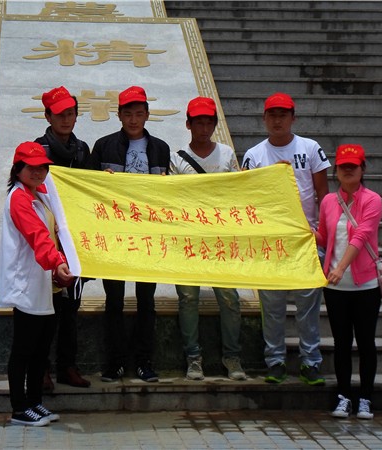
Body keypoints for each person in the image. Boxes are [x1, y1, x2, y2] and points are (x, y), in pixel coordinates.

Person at [241, 92, 330, 385]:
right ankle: (275, 360)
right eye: (272, 115)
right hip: (271, 242)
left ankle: (310, 361)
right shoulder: (255, 155)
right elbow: (247, 198)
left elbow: (323, 194)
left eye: (283, 115)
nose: (277, 120)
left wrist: (323, 234)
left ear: (293, 117)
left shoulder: (310, 148)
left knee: (308, 308)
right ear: (264, 118)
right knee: (272, 307)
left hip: (305, 240)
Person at [88, 85, 170, 382]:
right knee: (114, 301)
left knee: (147, 301)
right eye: (128, 114)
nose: (133, 119)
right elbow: (88, 189)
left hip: (148, 235)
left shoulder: (160, 148)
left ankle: (144, 361)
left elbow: (168, 195)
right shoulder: (103, 145)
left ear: (147, 115)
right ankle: (115, 363)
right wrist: (101, 181)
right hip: (114, 235)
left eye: (139, 113)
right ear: (119, 115)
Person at [0, 141, 74, 426]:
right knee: (24, 349)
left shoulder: (39, 194)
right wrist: (57, 261)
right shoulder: (19, 198)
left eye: (43, 167)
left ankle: (35, 402)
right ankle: (19, 409)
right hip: (26, 283)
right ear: (18, 169)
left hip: (44, 282)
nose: (39, 172)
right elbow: (37, 234)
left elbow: (56, 228)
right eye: (32, 167)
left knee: (40, 349)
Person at [169, 96, 246, 381]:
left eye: (209, 122)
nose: (204, 128)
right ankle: (193, 357)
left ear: (214, 124)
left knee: (229, 298)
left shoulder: (226, 154)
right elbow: (172, 197)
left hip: (220, 238)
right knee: (188, 298)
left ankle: (232, 357)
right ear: (188, 124)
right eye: (198, 122)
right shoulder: (176, 158)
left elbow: (238, 191)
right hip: (187, 238)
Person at [314, 144, 382, 420]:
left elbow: (362, 235)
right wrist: (304, 230)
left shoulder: (372, 200)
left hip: (366, 286)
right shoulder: (329, 202)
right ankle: (343, 397)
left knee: (366, 342)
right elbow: (323, 236)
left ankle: (365, 398)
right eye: (343, 166)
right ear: (336, 171)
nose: (348, 170)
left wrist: (341, 267)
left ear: (363, 168)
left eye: (353, 165)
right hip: (335, 288)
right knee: (341, 343)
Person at [35, 86, 91, 389]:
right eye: (60, 115)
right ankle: (41, 369)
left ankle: (68, 366)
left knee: (71, 307)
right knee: (46, 308)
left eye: (71, 113)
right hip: (46, 240)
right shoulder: (37, 150)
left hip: (73, 240)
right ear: (48, 116)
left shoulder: (82, 149)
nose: (66, 119)